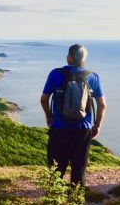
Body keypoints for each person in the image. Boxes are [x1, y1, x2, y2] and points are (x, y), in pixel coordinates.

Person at [40, 44, 106, 186]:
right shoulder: (93, 76)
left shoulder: (55, 74)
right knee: (78, 169)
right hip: (83, 130)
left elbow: (44, 99)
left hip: (59, 128)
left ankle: (54, 197)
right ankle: (75, 198)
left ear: (69, 57)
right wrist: (97, 126)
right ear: (83, 59)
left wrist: (49, 117)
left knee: (56, 168)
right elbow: (102, 105)